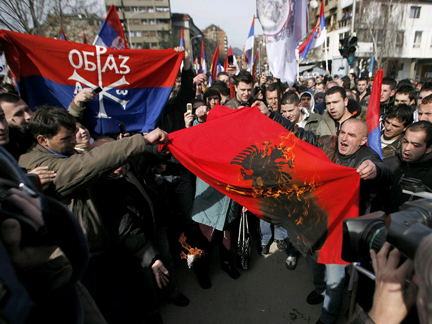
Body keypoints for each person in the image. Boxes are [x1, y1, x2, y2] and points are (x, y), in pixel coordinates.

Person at [18, 106, 170, 323]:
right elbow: (87, 164)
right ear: (43, 140)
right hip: (80, 258)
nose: (74, 142)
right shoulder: (39, 167)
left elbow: (94, 155)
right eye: (66, 138)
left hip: (100, 247)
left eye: (74, 136)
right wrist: (140, 141)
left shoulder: (67, 151)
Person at [384, 121, 432, 213]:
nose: (407, 148)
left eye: (416, 145)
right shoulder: (390, 164)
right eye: (405, 142)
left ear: (429, 149)